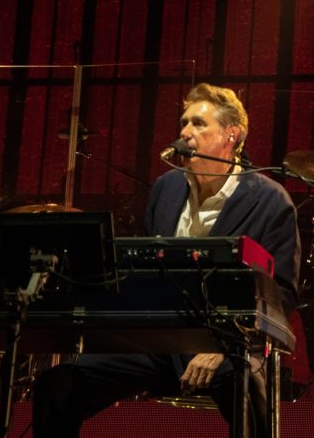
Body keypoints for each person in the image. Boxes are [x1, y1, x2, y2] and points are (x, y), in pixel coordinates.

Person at [33, 83, 300, 437]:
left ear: (231, 135)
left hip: (227, 343)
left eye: (198, 123)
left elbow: (281, 293)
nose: (185, 132)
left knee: (245, 385)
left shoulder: (270, 200)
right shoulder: (166, 188)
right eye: (184, 122)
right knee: (57, 385)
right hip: (162, 341)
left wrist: (226, 347)